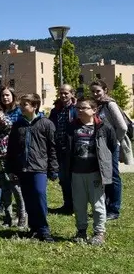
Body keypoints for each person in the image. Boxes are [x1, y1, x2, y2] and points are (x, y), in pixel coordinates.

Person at [6, 93, 58, 242]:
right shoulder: (18, 124)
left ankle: (44, 229)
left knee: (39, 195)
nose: (21, 107)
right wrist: (10, 168)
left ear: (35, 106)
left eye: (25, 104)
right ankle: (34, 228)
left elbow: (52, 148)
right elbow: (12, 148)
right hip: (23, 168)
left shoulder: (46, 124)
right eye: (21, 104)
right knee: (28, 199)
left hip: (39, 167)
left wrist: (53, 168)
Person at [65, 99, 116, 246]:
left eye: (84, 108)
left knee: (98, 204)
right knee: (79, 204)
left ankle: (99, 232)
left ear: (94, 110)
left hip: (95, 173)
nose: (79, 110)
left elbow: (111, 146)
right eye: (78, 108)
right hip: (76, 172)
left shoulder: (103, 126)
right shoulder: (72, 127)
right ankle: (81, 231)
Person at [89, 80, 127, 220]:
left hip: (110, 145)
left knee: (113, 176)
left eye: (98, 91)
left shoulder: (110, 104)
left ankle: (114, 209)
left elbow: (122, 127)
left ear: (105, 90)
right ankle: (104, 206)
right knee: (102, 175)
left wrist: (115, 141)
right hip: (98, 144)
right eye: (93, 91)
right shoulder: (96, 106)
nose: (95, 94)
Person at [48, 84, 78, 214]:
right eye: (61, 93)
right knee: (64, 179)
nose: (63, 96)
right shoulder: (56, 110)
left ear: (72, 94)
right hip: (59, 148)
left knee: (74, 179)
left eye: (66, 93)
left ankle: (76, 205)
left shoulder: (76, 109)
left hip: (73, 149)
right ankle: (67, 204)